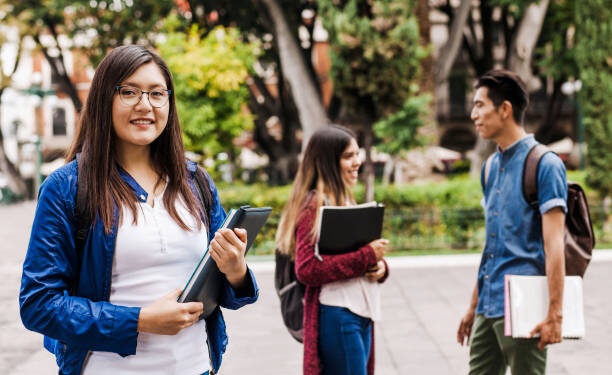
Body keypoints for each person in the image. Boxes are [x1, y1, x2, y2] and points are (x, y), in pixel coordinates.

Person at [19, 45, 258, 375]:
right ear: (105, 98)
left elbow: (223, 293)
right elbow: (39, 305)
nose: (145, 105)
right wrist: (140, 321)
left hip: (197, 367)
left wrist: (235, 270)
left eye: (157, 93)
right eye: (129, 91)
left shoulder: (196, 182)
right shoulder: (68, 187)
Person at [457, 69, 567, 374]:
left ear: (505, 109)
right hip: (487, 305)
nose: (473, 114)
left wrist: (555, 314)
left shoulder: (545, 164)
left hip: (525, 305)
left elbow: (554, 244)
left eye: (480, 105)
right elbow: (492, 245)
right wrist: (471, 307)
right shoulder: (490, 167)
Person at [276, 125, 389, 375]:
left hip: (360, 313)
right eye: (349, 156)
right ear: (328, 161)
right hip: (339, 315)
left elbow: (354, 255)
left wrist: (378, 267)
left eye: (357, 154)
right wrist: (367, 256)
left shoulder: (344, 199)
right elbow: (306, 269)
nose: (357, 162)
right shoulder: (314, 205)